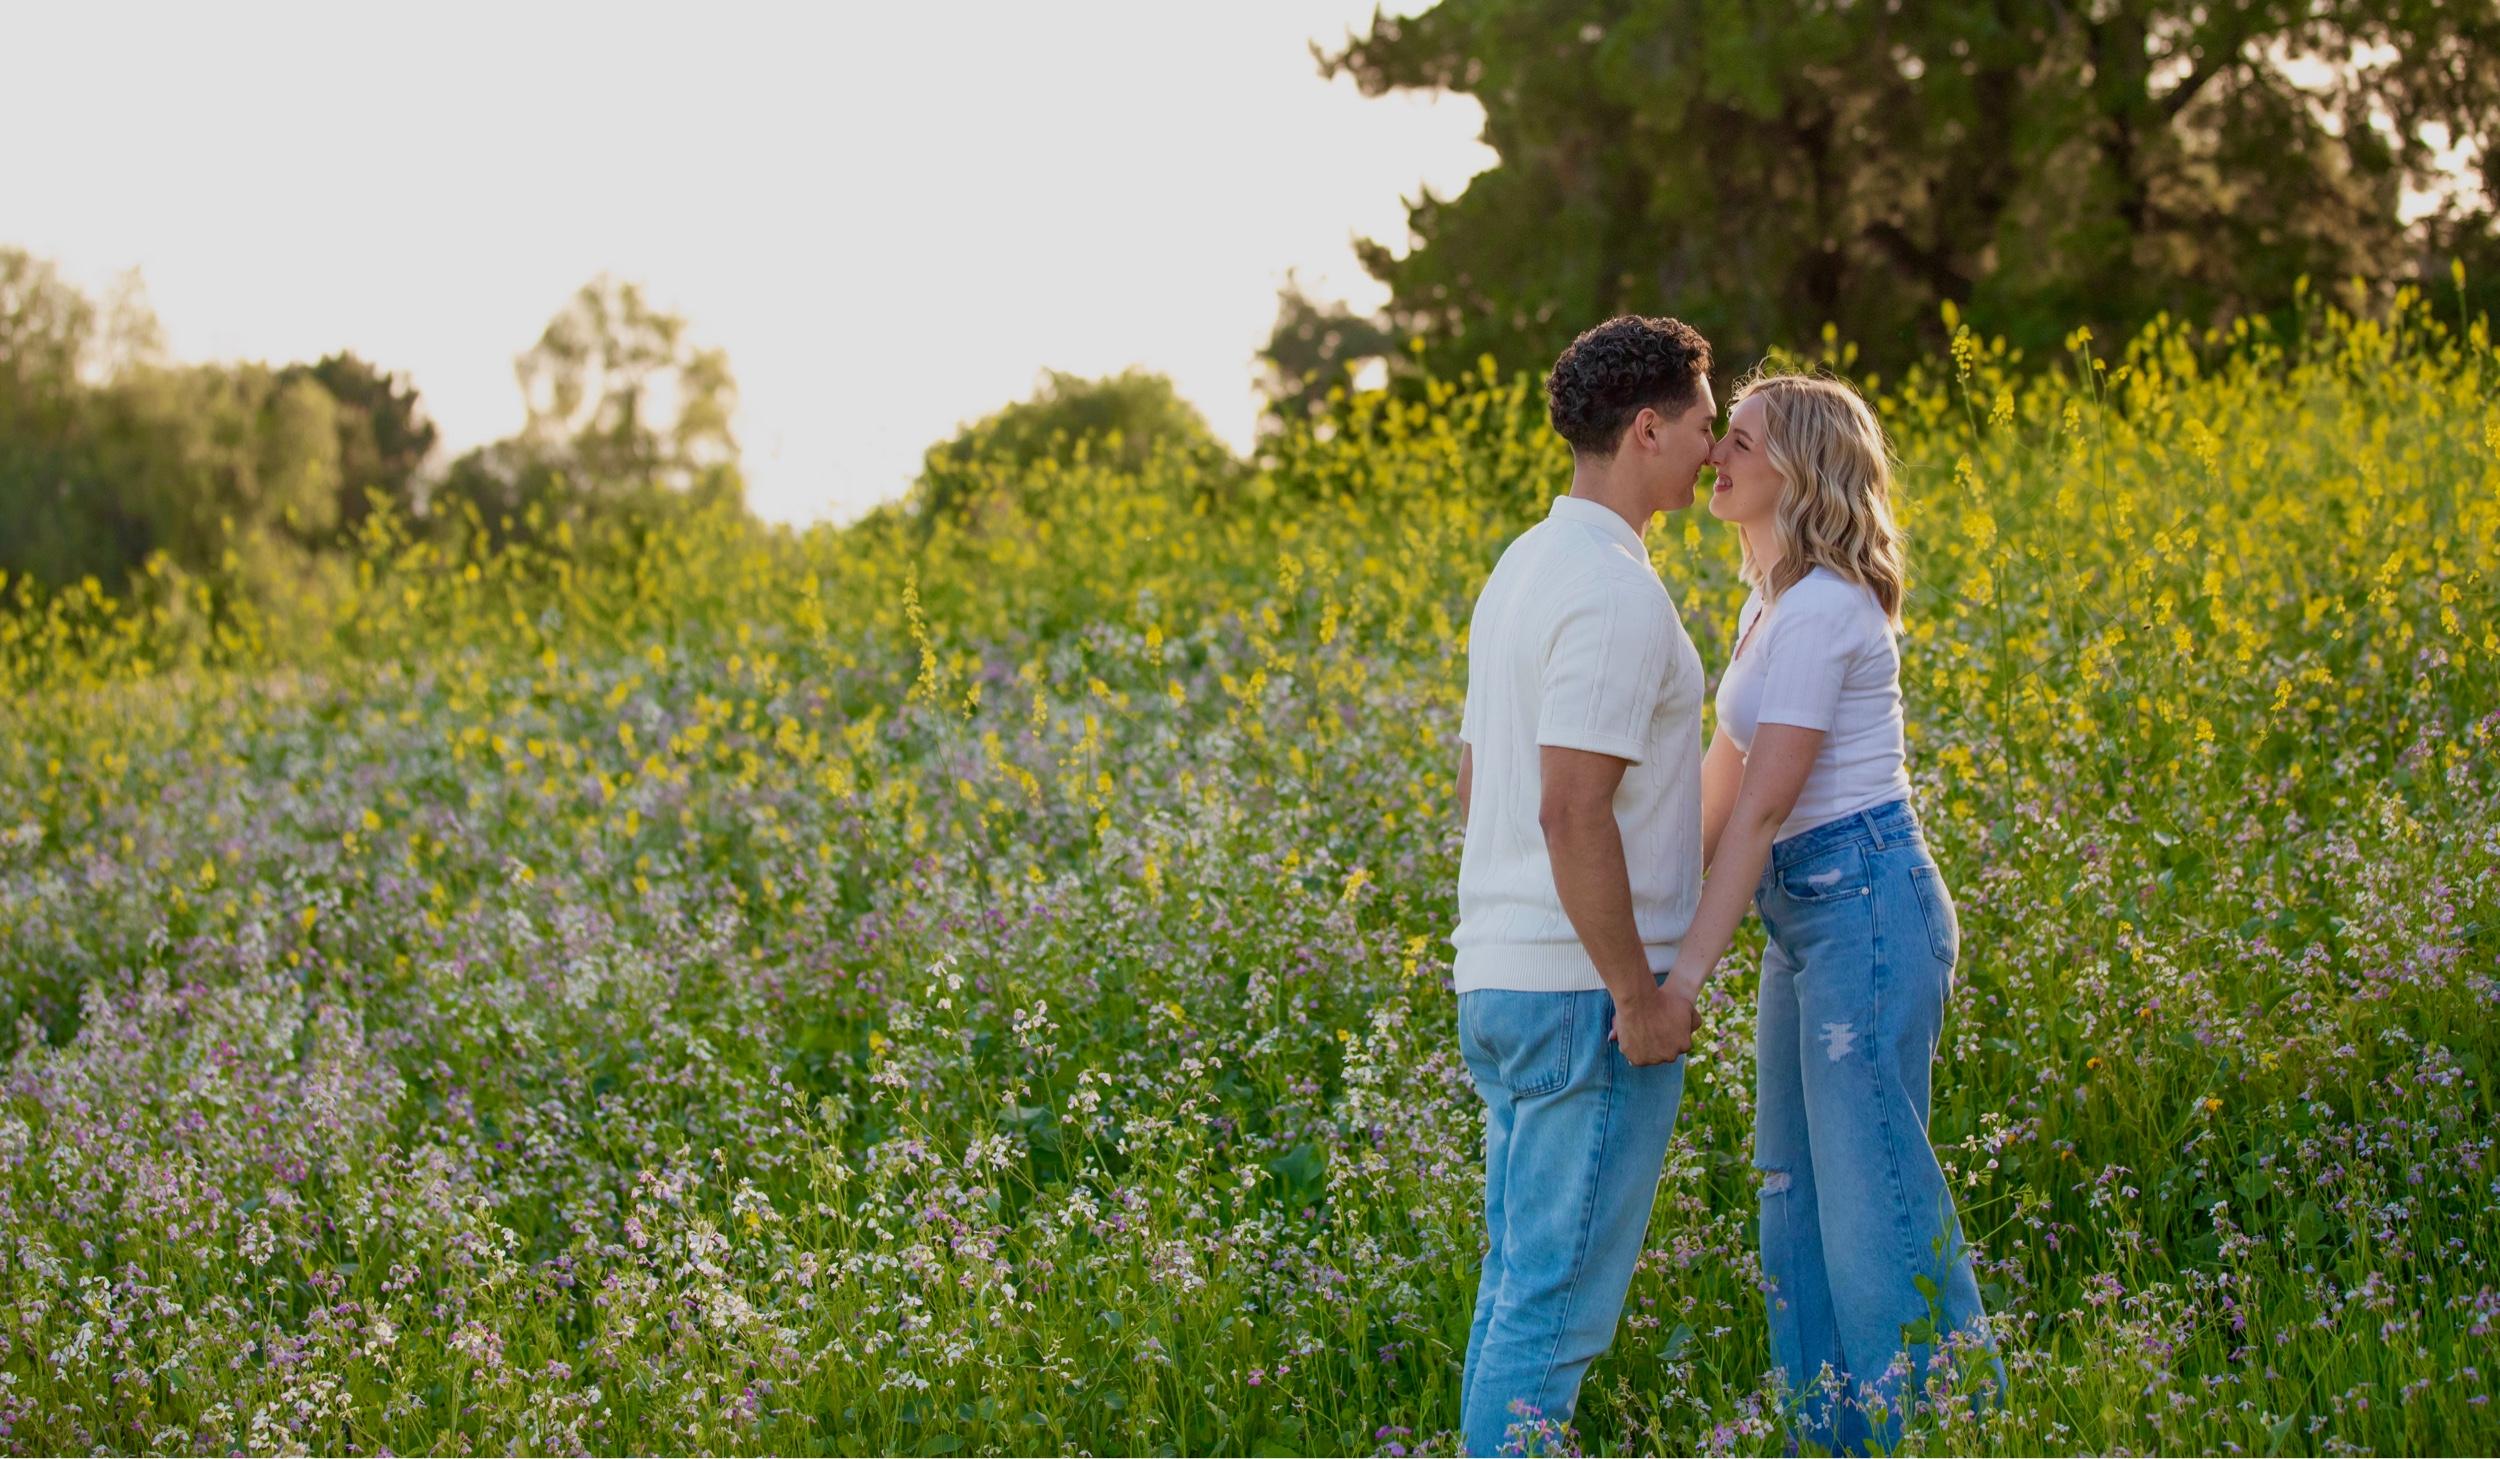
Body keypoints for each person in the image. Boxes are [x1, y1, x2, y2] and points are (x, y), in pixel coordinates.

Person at [1661, 370, 2004, 1453]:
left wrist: (1681, 980)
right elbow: (1715, 797)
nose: (1715, 453)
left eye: (1741, 439)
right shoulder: (1766, 606)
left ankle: (1947, 1435)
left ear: (1801, 468)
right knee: (1793, 1202)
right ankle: (1834, 1441)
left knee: (1875, 1205)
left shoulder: (1822, 610)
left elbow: (1764, 811)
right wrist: (1634, 935)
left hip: (1865, 908)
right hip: (1806, 919)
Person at [1450, 315, 1718, 1456]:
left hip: (1503, 977)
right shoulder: (1614, 592)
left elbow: (1479, 785)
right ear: (1647, 429)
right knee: (1553, 1317)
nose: (1714, 448)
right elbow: (1570, 807)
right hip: (1583, 997)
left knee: (1518, 1290)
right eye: (1703, 425)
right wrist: (1636, 994)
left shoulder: (1521, 566)